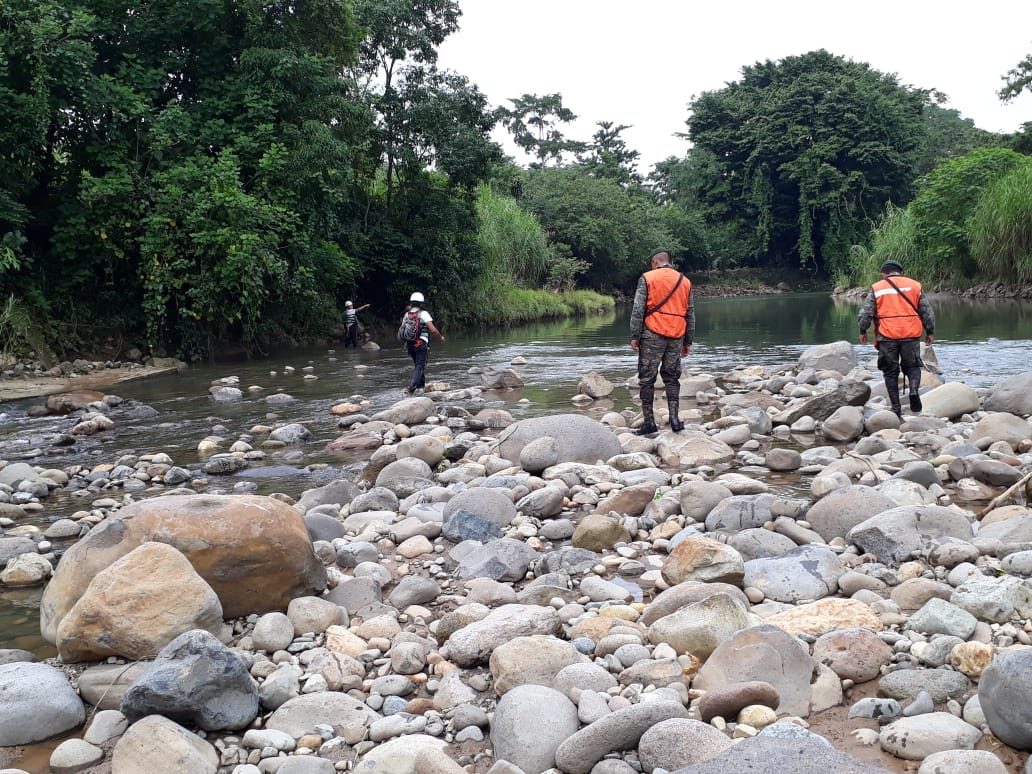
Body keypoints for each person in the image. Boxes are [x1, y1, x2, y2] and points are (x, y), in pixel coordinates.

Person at [858, 259, 935, 418]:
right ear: (901, 272)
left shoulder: (877, 287)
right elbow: (927, 311)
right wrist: (930, 331)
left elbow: (866, 312)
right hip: (911, 333)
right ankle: (913, 391)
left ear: (883, 274)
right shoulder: (915, 285)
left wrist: (862, 330)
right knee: (913, 367)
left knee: (890, 372)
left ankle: (896, 408)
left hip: (887, 335)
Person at [629, 248, 694, 435]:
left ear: (655, 263)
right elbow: (690, 313)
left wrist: (635, 335)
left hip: (652, 334)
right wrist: (688, 341)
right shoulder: (685, 281)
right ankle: (674, 419)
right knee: (672, 378)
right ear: (670, 262)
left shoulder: (647, 278)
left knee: (647, 379)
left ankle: (649, 422)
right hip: (676, 335)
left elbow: (638, 309)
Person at [402, 292, 444, 395]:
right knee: (420, 366)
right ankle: (411, 387)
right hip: (421, 344)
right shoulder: (423, 314)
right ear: (421, 304)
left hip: (410, 345)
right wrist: (440, 338)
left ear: (411, 303)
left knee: (418, 366)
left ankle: (421, 389)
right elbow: (433, 330)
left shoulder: (407, 314)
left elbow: (403, 329)